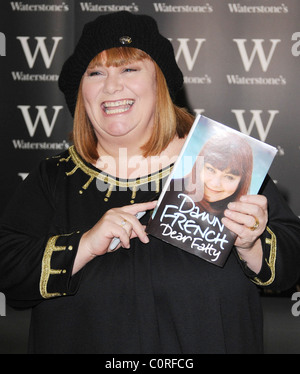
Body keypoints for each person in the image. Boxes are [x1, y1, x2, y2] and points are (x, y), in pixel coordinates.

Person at [0, 11, 300, 354]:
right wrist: (84, 245)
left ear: (160, 83)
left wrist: (253, 246)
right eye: (95, 72)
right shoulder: (54, 177)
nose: (112, 86)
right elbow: (9, 270)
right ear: (80, 93)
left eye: (129, 68)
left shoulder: (221, 160)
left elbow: (291, 263)